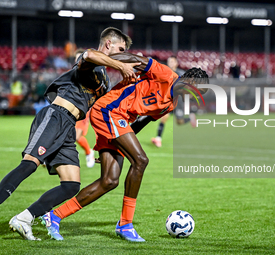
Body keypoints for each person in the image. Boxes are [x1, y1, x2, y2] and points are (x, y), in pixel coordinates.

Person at [0, 27, 139, 241]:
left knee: (71, 185)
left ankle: (24, 218)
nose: (123, 54)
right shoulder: (93, 59)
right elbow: (90, 55)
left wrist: (104, 148)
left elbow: (105, 113)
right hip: (56, 115)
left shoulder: (104, 80)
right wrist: (121, 65)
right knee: (30, 163)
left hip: (69, 127)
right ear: (108, 44)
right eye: (120, 49)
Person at [40, 52, 209, 242]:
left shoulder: (170, 105)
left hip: (119, 122)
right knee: (141, 161)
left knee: (109, 181)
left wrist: (120, 144)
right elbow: (134, 58)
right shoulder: (165, 74)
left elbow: (142, 121)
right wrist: (109, 60)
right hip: (109, 111)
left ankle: (53, 216)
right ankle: (125, 224)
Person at [151, 55, 196, 148]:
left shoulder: (181, 74)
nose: (170, 63)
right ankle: (158, 139)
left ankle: (191, 118)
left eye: (172, 61)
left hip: (178, 101)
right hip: (168, 100)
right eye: (169, 61)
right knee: (164, 117)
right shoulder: (164, 72)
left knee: (179, 122)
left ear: (176, 63)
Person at [74, 48, 94, 168]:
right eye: (76, 58)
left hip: (84, 109)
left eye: (79, 58)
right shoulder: (73, 73)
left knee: (76, 136)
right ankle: (89, 152)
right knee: (68, 135)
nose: (77, 60)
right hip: (71, 108)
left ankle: (88, 152)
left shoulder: (90, 73)